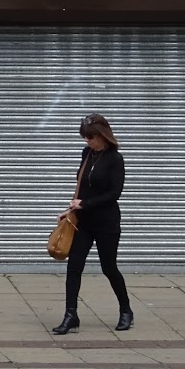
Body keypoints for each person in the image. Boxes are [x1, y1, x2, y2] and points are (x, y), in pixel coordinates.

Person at [51, 112, 134, 334]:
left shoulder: (115, 159)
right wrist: (69, 211)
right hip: (83, 223)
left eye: (91, 137)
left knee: (109, 268)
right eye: (85, 138)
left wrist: (85, 203)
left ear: (103, 135)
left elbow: (115, 193)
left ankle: (126, 310)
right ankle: (71, 315)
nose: (87, 141)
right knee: (74, 267)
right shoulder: (87, 154)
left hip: (107, 223)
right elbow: (82, 188)